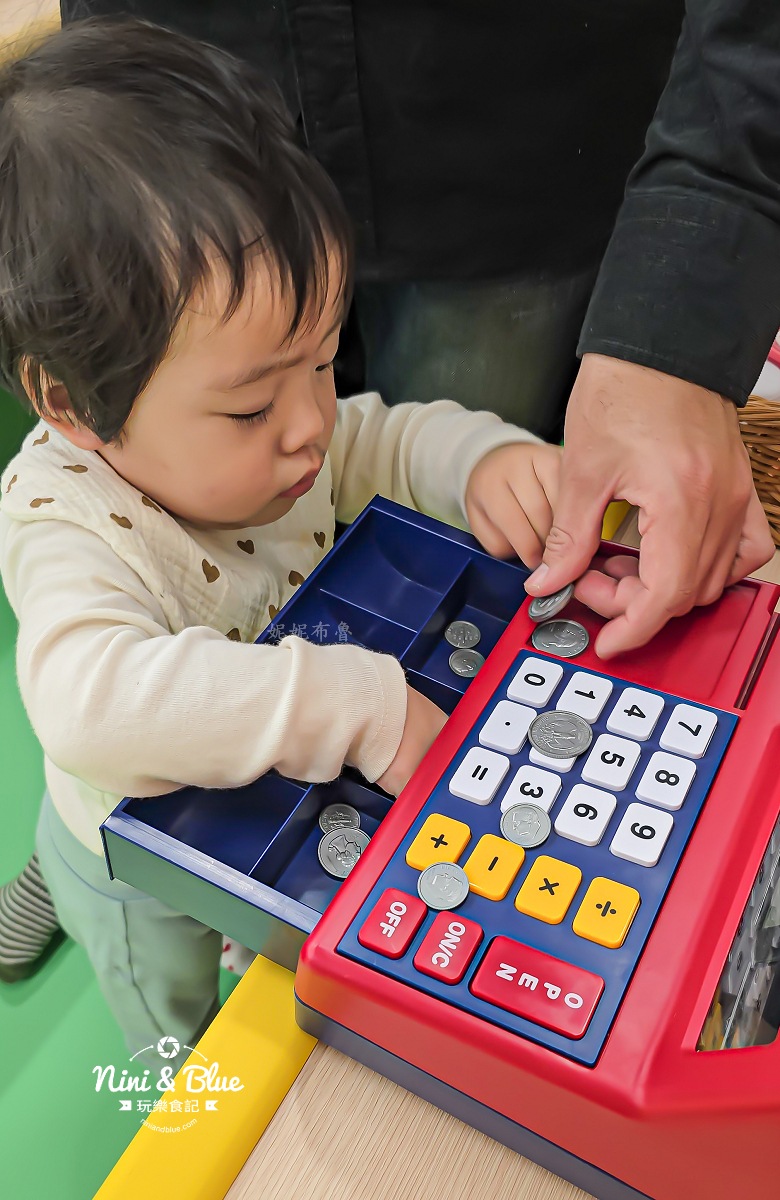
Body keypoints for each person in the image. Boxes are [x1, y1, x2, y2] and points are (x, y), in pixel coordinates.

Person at [0, 20, 563, 1060]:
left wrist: (481, 460)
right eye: (254, 407)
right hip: (136, 857)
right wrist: (356, 704)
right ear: (74, 406)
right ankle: (69, 897)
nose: (312, 421)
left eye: (321, 359)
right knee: (178, 1020)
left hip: (255, 781)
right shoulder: (59, 518)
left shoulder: (279, 425)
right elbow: (89, 706)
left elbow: (378, 437)